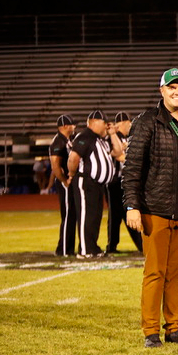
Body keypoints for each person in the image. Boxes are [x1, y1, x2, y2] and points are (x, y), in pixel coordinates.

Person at [123, 68, 178, 348]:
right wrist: (132, 205)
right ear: (162, 91)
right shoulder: (146, 121)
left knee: (177, 273)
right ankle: (151, 332)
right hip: (154, 208)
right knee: (155, 272)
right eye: (172, 87)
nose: (177, 91)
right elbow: (132, 167)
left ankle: (174, 329)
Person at [68, 110, 118, 258]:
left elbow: (118, 151)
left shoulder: (100, 139)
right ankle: (85, 250)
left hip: (97, 184)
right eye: (104, 123)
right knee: (86, 215)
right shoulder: (85, 136)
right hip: (86, 182)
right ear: (95, 122)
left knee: (95, 217)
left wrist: (112, 134)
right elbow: (73, 158)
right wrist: (71, 174)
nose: (106, 126)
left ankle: (92, 247)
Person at [106, 111, 143, 253]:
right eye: (129, 123)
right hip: (115, 182)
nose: (130, 126)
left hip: (125, 182)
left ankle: (138, 244)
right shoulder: (114, 137)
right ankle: (112, 246)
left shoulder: (126, 138)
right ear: (124, 123)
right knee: (115, 215)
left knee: (127, 212)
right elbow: (119, 155)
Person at [50, 114, 78, 256]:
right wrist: (64, 181)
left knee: (72, 215)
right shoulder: (58, 141)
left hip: (70, 181)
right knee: (68, 215)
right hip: (65, 182)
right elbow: (55, 165)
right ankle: (64, 249)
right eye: (72, 124)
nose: (74, 127)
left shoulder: (68, 140)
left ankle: (69, 248)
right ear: (65, 126)